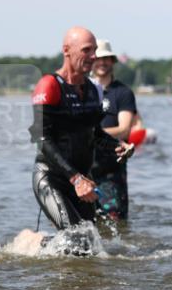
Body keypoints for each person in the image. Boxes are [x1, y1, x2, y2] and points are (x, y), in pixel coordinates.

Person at [30, 27, 133, 231]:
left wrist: (117, 146)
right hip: (52, 178)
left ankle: (38, 246)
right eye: (87, 50)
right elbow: (42, 139)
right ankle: (34, 245)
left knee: (92, 245)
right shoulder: (49, 85)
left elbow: (93, 133)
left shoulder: (94, 89)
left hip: (84, 180)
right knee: (78, 240)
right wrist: (75, 178)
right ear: (67, 50)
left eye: (94, 50)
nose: (93, 56)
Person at [90, 39, 138, 220]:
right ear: (91, 61)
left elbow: (125, 130)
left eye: (106, 59)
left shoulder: (123, 92)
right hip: (84, 168)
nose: (102, 63)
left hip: (112, 168)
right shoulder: (83, 90)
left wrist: (90, 134)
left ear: (113, 62)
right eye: (98, 58)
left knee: (116, 221)